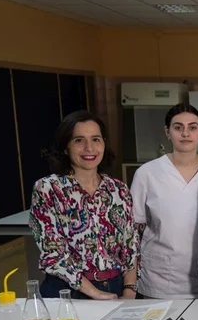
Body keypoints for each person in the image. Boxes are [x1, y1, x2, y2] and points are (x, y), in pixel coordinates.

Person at [29, 110, 138, 299]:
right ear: (65, 147)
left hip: (116, 286)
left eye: (96, 139)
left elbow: (130, 245)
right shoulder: (48, 189)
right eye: (79, 140)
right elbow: (53, 252)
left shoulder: (118, 189)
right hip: (68, 291)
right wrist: (95, 293)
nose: (89, 148)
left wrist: (129, 289)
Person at [129, 103, 198, 299]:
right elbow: (133, 231)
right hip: (160, 279)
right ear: (167, 132)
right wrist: (129, 283)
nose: (185, 133)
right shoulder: (147, 173)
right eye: (178, 127)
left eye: (192, 127)